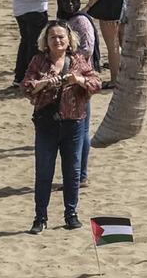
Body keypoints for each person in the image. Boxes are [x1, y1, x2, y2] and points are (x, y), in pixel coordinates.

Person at [22, 20, 102, 232]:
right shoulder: (39, 62)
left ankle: (71, 214)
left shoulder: (78, 60)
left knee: (72, 171)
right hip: (46, 124)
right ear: (45, 41)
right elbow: (26, 86)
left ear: (69, 40)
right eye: (52, 37)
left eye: (61, 37)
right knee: (44, 171)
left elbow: (96, 83)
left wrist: (78, 80)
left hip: (73, 124)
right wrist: (44, 83)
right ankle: (40, 217)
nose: (57, 40)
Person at [56, 0, 100, 188]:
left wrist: (71, 64)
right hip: (68, 81)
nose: (71, 3)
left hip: (81, 80)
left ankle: (80, 175)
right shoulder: (64, 22)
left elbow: (87, 49)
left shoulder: (80, 21)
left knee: (80, 130)